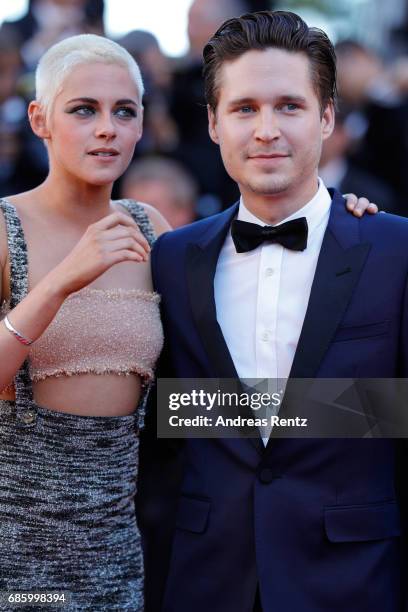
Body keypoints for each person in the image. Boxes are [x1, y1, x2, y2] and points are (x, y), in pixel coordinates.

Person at [142, 10, 408, 612]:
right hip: (205, 580)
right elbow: (163, 419)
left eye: (289, 105)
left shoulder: (395, 248)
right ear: (212, 123)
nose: (266, 129)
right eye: (244, 109)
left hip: (356, 581)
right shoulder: (172, 258)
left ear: (327, 117)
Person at [0, 33, 169, 610]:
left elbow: (205, 387)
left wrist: (342, 222)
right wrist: (60, 281)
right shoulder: (5, 228)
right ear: (40, 119)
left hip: (117, 551)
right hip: (15, 559)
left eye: (124, 111)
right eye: (84, 110)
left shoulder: (150, 228)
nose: (107, 128)